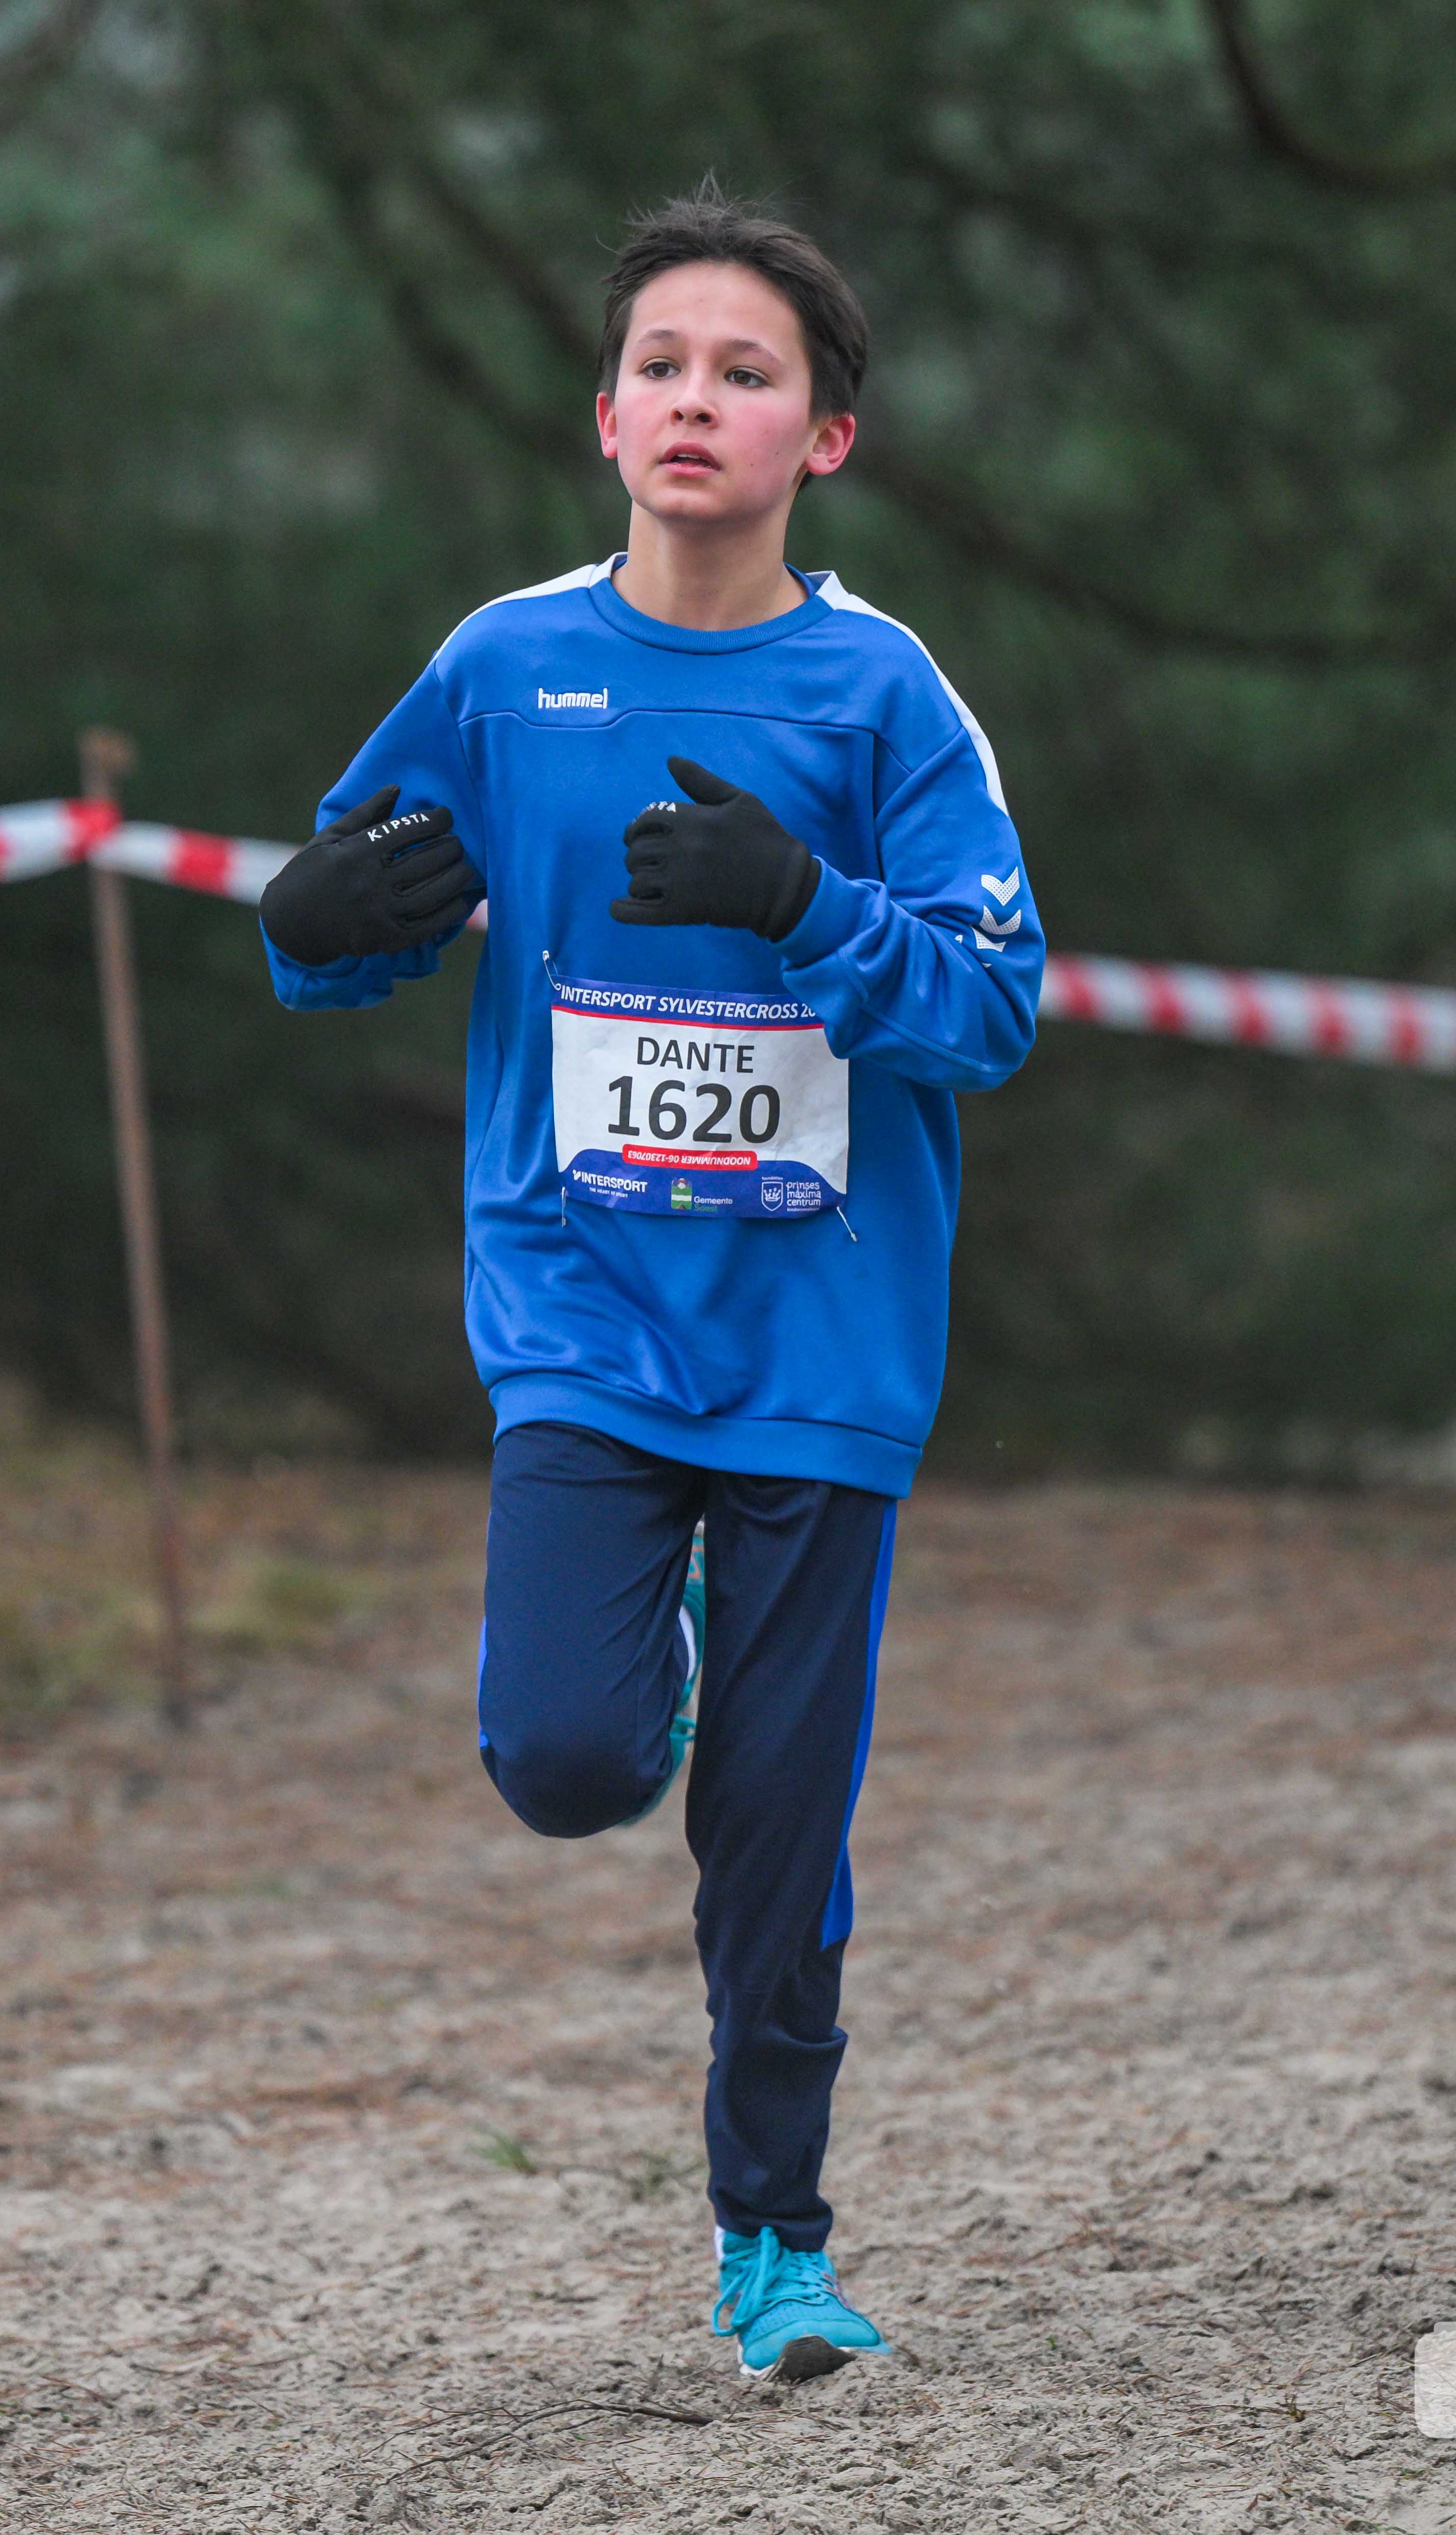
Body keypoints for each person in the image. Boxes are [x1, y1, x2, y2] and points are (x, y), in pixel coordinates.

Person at [258, 181, 1043, 2383]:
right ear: (605, 415)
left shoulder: (882, 696)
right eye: (663, 365)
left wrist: (807, 901)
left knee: (772, 1838)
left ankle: (773, 2242)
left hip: (819, 1339)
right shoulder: (504, 666)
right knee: (566, 1751)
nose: (698, 398)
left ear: (826, 440)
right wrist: (310, 922)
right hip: (583, 1307)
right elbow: (350, 905)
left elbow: (995, 1005)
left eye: (748, 371)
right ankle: (642, 1660)